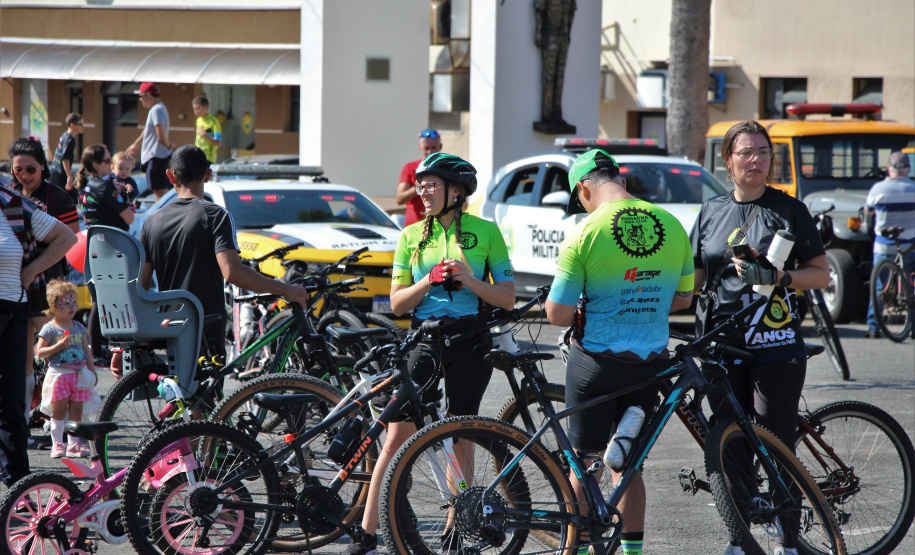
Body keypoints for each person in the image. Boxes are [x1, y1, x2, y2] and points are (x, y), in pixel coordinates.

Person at [345, 153, 516, 555]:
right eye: (420, 185)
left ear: (455, 192)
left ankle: (457, 527)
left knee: (461, 434)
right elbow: (398, 304)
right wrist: (428, 281)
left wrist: (468, 279)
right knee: (396, 435)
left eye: (431, 185)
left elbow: (506, 298)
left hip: (470, 340)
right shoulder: (410, 235)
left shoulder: (486, 232)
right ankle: (366, 532)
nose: (422, 191)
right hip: (424, 340)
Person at [544, 149, 695, 555]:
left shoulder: (585, 231)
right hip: (649, 362)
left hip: (596, 362)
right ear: (622, 182)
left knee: (583, 463)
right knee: (629, 467)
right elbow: (683, 298)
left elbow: (557, 315)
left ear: (583, 189)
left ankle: (577, 550)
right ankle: (631, 553)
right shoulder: (671, 223)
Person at [689, 121, 829, 555]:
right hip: (720, 343)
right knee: (731, 446)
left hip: (774, 344)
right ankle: (741, 540)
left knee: (776, 442)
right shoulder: (711, 211)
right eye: (746, 153)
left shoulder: (789, 210)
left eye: (764, 152)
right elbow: (695, 278)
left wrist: (780, 277)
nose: (756, 160)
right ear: (727, 161)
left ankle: (788, 540)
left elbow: (821, 275)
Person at [139, 145, 309, 361]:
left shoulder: (152, 221)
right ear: (208, 175)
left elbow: (140, 285)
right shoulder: (215, 216)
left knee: (177, 381)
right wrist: (286, 290)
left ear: (170, 176)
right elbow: (232, 273)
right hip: (206, 327)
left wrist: (134, 341)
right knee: (207, 383)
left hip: (168, 327)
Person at [0, 181, 76, 488]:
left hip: (11, 310)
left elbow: (66, 236)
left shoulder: (11, 202)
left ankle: (18, 489)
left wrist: (31, 271)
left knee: (10, 402)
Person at [9, 137, 81, 441]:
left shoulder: (58, 197)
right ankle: (23, 422)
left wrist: (34, 265)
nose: (24, 175)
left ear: (42, 167)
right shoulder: (9, 194)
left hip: (50, 285)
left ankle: (68, 426)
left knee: (63, 352)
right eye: (18, 170)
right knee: (23, 359)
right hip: (15, 284)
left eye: (31, 169)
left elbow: (72, 239)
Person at [77, 144, 135, 366]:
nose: (111, 165)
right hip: (112, 248)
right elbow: (129, 218)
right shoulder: (105, 187)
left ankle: (99, 350)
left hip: (95, 247)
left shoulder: (87, 185)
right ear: (96, 165)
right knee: (107, 300)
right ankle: (100, 352)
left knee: (99, 299)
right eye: (107, 161)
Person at [35, 279, 97, 459]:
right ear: (53, 306)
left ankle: (74, 444)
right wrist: (58, 347)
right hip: (59, 374)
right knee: (59, 411)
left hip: (78, 375)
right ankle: (57, 444)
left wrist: (92, 369)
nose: (72, 307)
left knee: (77, 410)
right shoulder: (49, 329)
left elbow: (87, 351)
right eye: (66, 303)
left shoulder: (79, 327)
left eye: (74, 302)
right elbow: (40, 352)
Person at [864, 151, 915, 338]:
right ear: (908, 168)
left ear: (889, 169)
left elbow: (868, 211)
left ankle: (873, 327)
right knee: (912, 284)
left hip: (884, 245)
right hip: (909, 244)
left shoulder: (878, 189)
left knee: (879, 286)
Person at [127, 82, 174, 201]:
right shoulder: (158, 108)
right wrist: (136, 144)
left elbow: (160, 135)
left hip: (156, 156)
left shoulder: (157, 110)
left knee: (160, 193)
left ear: (148, 95)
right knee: (160, 191)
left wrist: (169, 147)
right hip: (157, 156)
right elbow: (148, 130)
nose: (140, 99)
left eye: (141, 96)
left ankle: (165, 213)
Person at [396, 129, 443, 227]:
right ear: (420, 147)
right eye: (426, 148)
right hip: (415, 227)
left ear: (440, 146)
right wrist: (420, 185)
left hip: (440, 225)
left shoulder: (446, 169)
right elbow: (400, 199)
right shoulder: (409, 168)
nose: (430, 152)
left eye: (433, 148)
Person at [49, 112, 84, 204]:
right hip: (61, 174)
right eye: (80, 124)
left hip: (56, 171)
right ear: (72, 125)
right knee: (71, 197)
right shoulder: (70, 139)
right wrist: (69, 177)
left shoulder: (65, 135)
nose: (83, 127)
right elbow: (65, 159)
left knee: (68, 197)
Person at [192, 95, 222, 164]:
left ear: (206, 107)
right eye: (194, 109)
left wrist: (205, 135)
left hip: (208, 157)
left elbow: (218, 142)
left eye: (197, 108)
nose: (195, 111)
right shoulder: (198, 120)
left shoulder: (213, 122)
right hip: (198, 155)